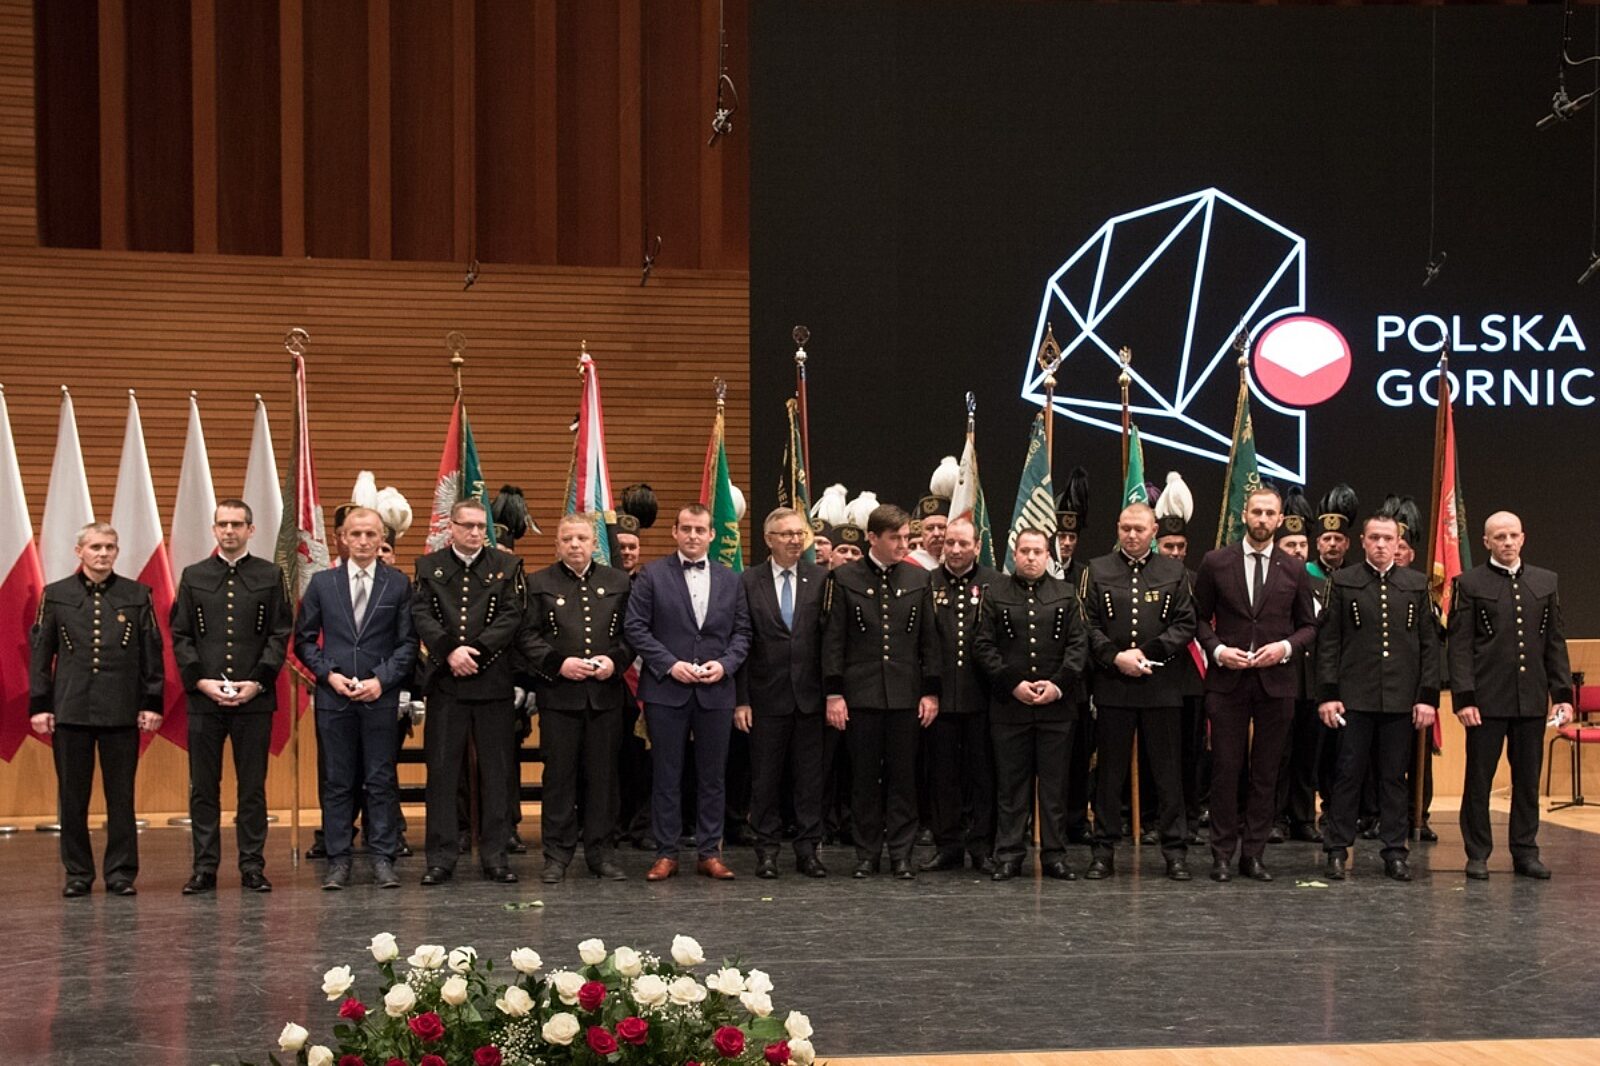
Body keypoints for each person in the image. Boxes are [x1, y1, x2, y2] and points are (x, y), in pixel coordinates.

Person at [29, 522, 164, 897]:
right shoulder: (56, 595)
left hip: (121, 710)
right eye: (95, 547)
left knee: (121, 798)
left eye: (109, 547)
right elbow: (41, 655)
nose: (103, 553)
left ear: (117, 551)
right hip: (71, 709)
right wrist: (40, 705)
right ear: (80, 552)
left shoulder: (137, 594)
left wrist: (151, 702)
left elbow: (151, 653)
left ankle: (121, 873)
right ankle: (78, 873)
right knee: (73, 798)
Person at [1192, 485, 1318, 883]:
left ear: (1280, 520)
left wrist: (1284, 648)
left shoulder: (1294, 569)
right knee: (1226, 770)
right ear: (1244, 515)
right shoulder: (1216, 562)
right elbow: (1197, 619)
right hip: (1227, 680)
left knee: (1266, 773)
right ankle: (1221, 855)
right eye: (1256, 511)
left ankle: (1254, 854)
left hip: (1275, 683)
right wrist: (1217, 650)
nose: (1262, 519)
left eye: (1269, 513)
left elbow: (1309, 626)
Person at [171, 500, 292, 895]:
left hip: (254, 700)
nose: (229, 531)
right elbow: (181, 634)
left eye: (237, 524)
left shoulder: (270, 575)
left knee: (252, 788)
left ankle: (252, 866)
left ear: (250, 530)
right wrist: (199, 681)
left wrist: (258, 681)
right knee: (203, 788)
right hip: (204, 699)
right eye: (222, 524)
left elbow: (279, 634)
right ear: (214, 529)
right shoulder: (194, 575)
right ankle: (204, 868)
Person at [625, 503, 752, 881]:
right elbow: (635, 628)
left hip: (716, 690)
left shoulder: (732, 579)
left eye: (700, 530)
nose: (693, 536)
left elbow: (743, 633)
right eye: (686, 529)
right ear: (675, 532)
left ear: (712, 535)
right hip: (666, 689)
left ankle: (710, 852)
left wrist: (725, 665)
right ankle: (667, 853)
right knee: (666, 775)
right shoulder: (651, 575)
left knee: (713, 776)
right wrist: (669, 664)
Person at [295, 506, 417, 890]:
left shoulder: (398, 584)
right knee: (337, 781)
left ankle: (382, 858)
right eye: (356, 534)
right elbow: (303, 640)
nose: (363, 541)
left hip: (379, 697)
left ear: (382, 539)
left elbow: (408, 644)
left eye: (370, 535)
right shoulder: (322, 583)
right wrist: (329, 675)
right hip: (335, 698)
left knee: (381, 779)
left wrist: (382, 680)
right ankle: (338, 859)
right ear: (343, 539)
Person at [1450, 511, 1573, 880]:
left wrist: (1562, 695)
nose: (1507, 542)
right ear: (1486, 541)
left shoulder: (1545, 581)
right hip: (1486, 701)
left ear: (1523, 538)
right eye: (1499, 537)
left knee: (1527, 781)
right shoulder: (1469, 583)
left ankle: (1525, 851)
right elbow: (1460, 646)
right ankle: (1477, 853)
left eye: (1512, 535)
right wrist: (1464, 698)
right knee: (1479, 781)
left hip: (1531, 698)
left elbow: (1554, 643)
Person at [1317, 514, 1439, 882]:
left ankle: (1395, 851)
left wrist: (1427, 697)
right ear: (1363, 541)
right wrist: (1328, 695)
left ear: (1399, 543)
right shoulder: (1344, 581)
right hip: (1354, 698)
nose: (1382, 545)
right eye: (1375, 538)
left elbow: (1429, 645)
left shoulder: (1415, 585)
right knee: (1347, 774)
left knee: (1394, 778)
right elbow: (1329, 643)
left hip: (1400, 699)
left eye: (1388, 538)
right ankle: (1337, 849)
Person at [822, 503, 941, 879]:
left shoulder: (918, 578)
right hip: (862, 694)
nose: (903, 545)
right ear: (872, 538)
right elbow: (834, 640)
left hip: (906, 694)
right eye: (895, 538)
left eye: (906, 537)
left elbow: (929, 641)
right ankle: (867, 853)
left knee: (904, 779)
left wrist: (931, 692)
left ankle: (901, 854)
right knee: (864, 779)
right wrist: (834, 693)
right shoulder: (845, 578)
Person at [411, 499, 527, 886]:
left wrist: (474, 652)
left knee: (497, 774)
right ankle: (441, 858)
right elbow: (421, 614)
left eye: (481, 526)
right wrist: (450, 651)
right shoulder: (429, 566)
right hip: (447, 683)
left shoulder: (506, 565)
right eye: (468, 525)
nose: (476, 532)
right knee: (442, 773)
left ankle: (495, 856)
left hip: (491, 681)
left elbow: (512, 615)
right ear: (452, 527)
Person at [1081, 503, 1198, 881]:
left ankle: (1175, 851)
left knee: (1167, 774)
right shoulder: (1097, 569)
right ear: (1117, 528)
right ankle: (1103, 852)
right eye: (1125, 528)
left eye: (1139, 529)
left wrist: (1145, 655)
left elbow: (1185, 624)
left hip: (1160, 685)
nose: (1132, 535)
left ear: (1154, 531)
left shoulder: (1174, 571)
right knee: (1109, 776)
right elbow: (1087, 624)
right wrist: (1116, 658)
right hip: (1113, 685)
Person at [521, 513, 632, 883]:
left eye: (582, 538)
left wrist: (614, 663)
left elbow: (632, 634)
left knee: (603, 779)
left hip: (604, 696)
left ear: (594, 543)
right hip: (559, 697)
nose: (574, 545)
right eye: (567, 538)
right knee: (559, 778)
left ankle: (601, 854)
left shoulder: (618, 582)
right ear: (557, 544)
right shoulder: (538, 583)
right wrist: (558, 663)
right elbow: (527, 636)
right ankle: (556, 855)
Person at [974, 527, 1088, 881]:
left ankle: (1055, 855)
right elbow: (983, 646)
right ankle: (1009, 854)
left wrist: (1058, 686)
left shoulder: (1066, 594)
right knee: (1011, 787)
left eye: (1038, 551)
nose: (1031, 557)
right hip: (1010, 707)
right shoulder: (995, 594)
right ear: (1015, 554)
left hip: (1057, 708)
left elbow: (1078, 646)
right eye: (1025, 551)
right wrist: (1012, 684)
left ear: (1048, 555)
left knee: (1054, 787)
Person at [734, 507, 829, 879]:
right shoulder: (748, 581)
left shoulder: (821, 579)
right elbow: (741, 643)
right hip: (764, 698)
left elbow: (829, 640)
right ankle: (767, 851)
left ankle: (808, 851)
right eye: (786, 534)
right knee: (765, 780)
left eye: (799, 534)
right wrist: (741, 699)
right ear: (768, 539)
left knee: (810, 780)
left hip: (810, 698)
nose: (795, 540)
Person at [921, 516, 1000, 873]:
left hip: (983, 697)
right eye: (950, 543)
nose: (954, 549)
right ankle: (948, 846)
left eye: (963, 543)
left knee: (983, 776)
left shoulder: (996, 584)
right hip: (939, 698)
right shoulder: (927, 583)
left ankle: (982, 846)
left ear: (977, 547)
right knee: (942, 776)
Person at [1273, 487, 1326, 844]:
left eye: (1302, 545)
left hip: (1313, 682)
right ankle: (1274, 817)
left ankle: (1304, 817)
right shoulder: (1269, 584)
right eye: (1290, 544)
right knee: (1278, 753)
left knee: (1309, 754)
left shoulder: (1322, 585)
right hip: (1281, 679)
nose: (1297, 550)